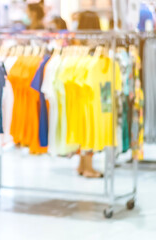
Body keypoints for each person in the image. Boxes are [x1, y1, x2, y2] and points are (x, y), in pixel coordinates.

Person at [76, 11, 103, 178]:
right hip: (92, 93)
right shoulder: (97, 45)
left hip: (77, 93)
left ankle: (81, 165)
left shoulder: (76, 44)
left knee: (82, 130)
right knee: (90, 132)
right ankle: (88, 168)